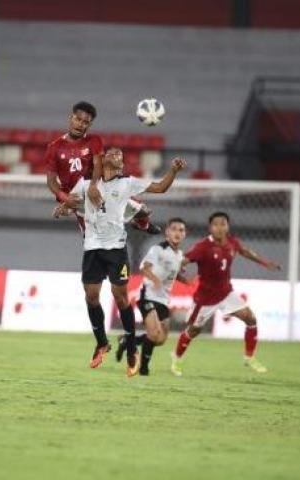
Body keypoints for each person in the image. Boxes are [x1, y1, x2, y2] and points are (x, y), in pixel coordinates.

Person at [55, 148, 186, 378]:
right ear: (102, 159)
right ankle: (101, 343)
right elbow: (72, 203)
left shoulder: (127, 183)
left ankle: (132, 349)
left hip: (116, 249)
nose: (119, 157)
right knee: (91, 297)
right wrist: (62, 209)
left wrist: (173, 170)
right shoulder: (86, 184)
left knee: (121, 296)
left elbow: (160, 188)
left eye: (122, 156)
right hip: (92, 249)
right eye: (113, 153)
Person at [170, 212, 281, 376]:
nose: (220, 228)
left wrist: (265, 263)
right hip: (205, 298)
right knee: (194, 330)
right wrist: (179, 267)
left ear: (227, 226)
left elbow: (245, 251)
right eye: (216, 224)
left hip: (226, 293)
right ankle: (177, 358)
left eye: (223, 224)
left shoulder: (232, 242)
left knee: (250, 318)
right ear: (210, 227)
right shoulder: (203, 247)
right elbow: (183, 259)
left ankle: (249, 357)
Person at [44, 101, 159, 234]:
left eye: (85, 122)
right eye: (78, 119)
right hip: (77, 198)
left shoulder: (94, 141)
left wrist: (93, 186)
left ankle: (143, 226)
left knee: (143, 212)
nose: (80, 124)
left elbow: (98, 165)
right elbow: (51, 181)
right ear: (71, 118)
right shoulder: (54, 147)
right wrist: (64, 198)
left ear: (90, 124)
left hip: (101, 190)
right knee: (91, 240)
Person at [115, 218, 192, 375]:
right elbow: (144, 268)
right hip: (148, 296)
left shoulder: (179, 255)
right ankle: (143, 369)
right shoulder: (158, 249)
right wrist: (155, 280)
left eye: (181, 230)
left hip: (163, 299)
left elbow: (174, 274)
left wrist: (186, 281)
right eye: (174, 229)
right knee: (155, 333)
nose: (177, 233)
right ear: (167, 232)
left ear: (184, 234)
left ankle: (127, 341)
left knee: (161, 339)